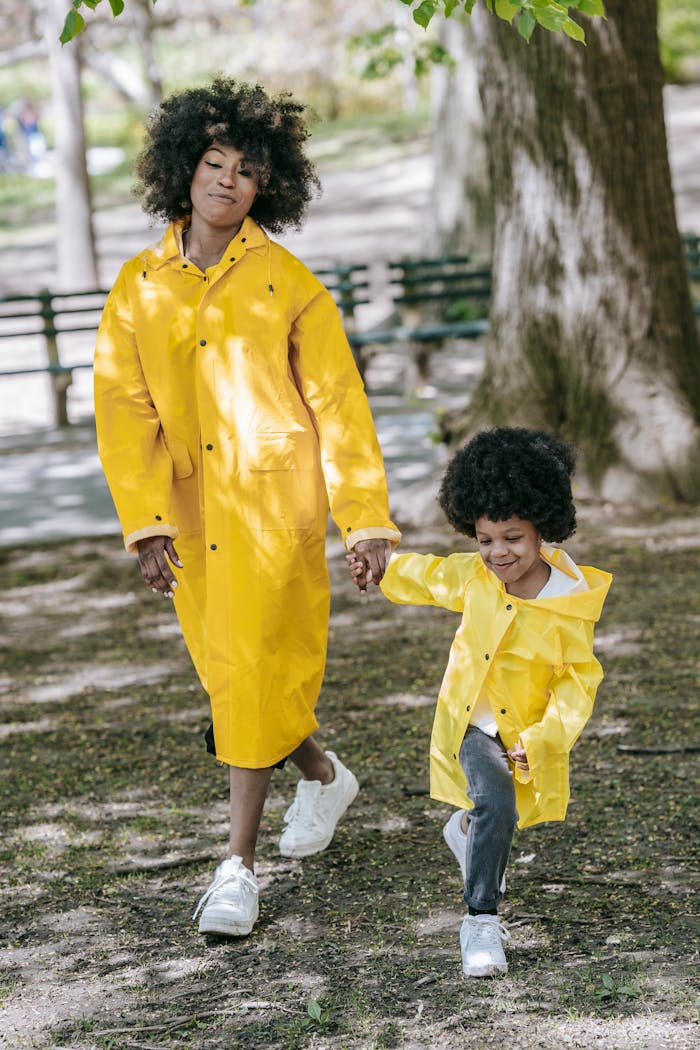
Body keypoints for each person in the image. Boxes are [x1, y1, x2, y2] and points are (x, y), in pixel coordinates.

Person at [94, 77, 400, 938]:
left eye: (247, 170)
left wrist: (363, 518)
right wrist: (146, 522)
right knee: (236, 679)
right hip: (191, 519)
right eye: (213, 162)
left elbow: (339, 401)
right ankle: (326, 774)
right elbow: (124, 409)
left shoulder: (289, 282)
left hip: (276, 511)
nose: (227, 180)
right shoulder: (138, 286)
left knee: (252, 675)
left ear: (268, 186)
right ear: (183, 170)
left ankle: (237, 867)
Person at [348, 427, 612, 977]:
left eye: (513, 538)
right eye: (486, 539)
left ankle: (467, 833)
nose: (498, 552)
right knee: (499, 806)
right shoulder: (475, 578)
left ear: (545, 529)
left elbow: (576, 682)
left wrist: (545, 738)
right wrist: (382, 567)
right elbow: (426, 574)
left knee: (497, 816)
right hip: (472, 722)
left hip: (524, 731)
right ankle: (481, 920)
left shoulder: (570, 604)